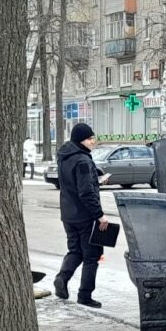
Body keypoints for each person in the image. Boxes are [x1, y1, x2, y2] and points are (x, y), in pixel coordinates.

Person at [54, 123, 108, 308]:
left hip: (68, 214)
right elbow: (85, 192)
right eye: (90, 138)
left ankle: (62, 278)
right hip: (85, 216)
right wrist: (99, 215)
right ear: (80, 140)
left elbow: (73, 185)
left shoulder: (64, 157)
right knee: (91, 257)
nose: (93, 141)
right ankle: (85, 295)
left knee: (75, 251)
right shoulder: (83, 161)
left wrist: (97, 181)